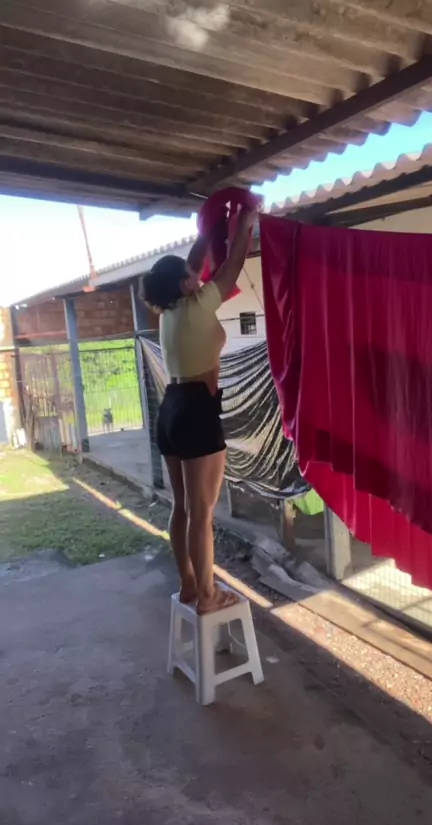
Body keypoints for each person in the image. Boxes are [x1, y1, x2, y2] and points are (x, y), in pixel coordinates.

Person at [142, 203, 259, 614]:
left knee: (183, 507)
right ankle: (208, 597)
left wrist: (209, 231)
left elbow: (192, 265)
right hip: (196, 410)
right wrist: (245, 224)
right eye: (192, 276)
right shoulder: (199, 304)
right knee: (202, 513)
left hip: (171, 408)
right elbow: (232, 267)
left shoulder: (168, 312)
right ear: (186, 285)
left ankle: (191, 585)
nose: (199, 275)